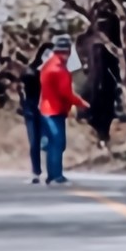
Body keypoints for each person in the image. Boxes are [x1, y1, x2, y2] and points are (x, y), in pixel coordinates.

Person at [35, 35, 80, 185]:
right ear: (67, 51)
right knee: (57, 143)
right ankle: (56, 176)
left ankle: (50, 175)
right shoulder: (59, 69)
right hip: (54, 110)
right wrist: (81, 103)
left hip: (45, 109)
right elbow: (65, 93)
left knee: (50, 143)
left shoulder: (47, 65)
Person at [15, 43, 47, 183]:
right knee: (34, 141)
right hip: (32, 109)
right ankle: (36, 172)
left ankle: (52, 171)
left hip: (47, 108)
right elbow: (20, 90)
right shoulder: (29, 71)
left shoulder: (54, 70)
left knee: (48, 142)